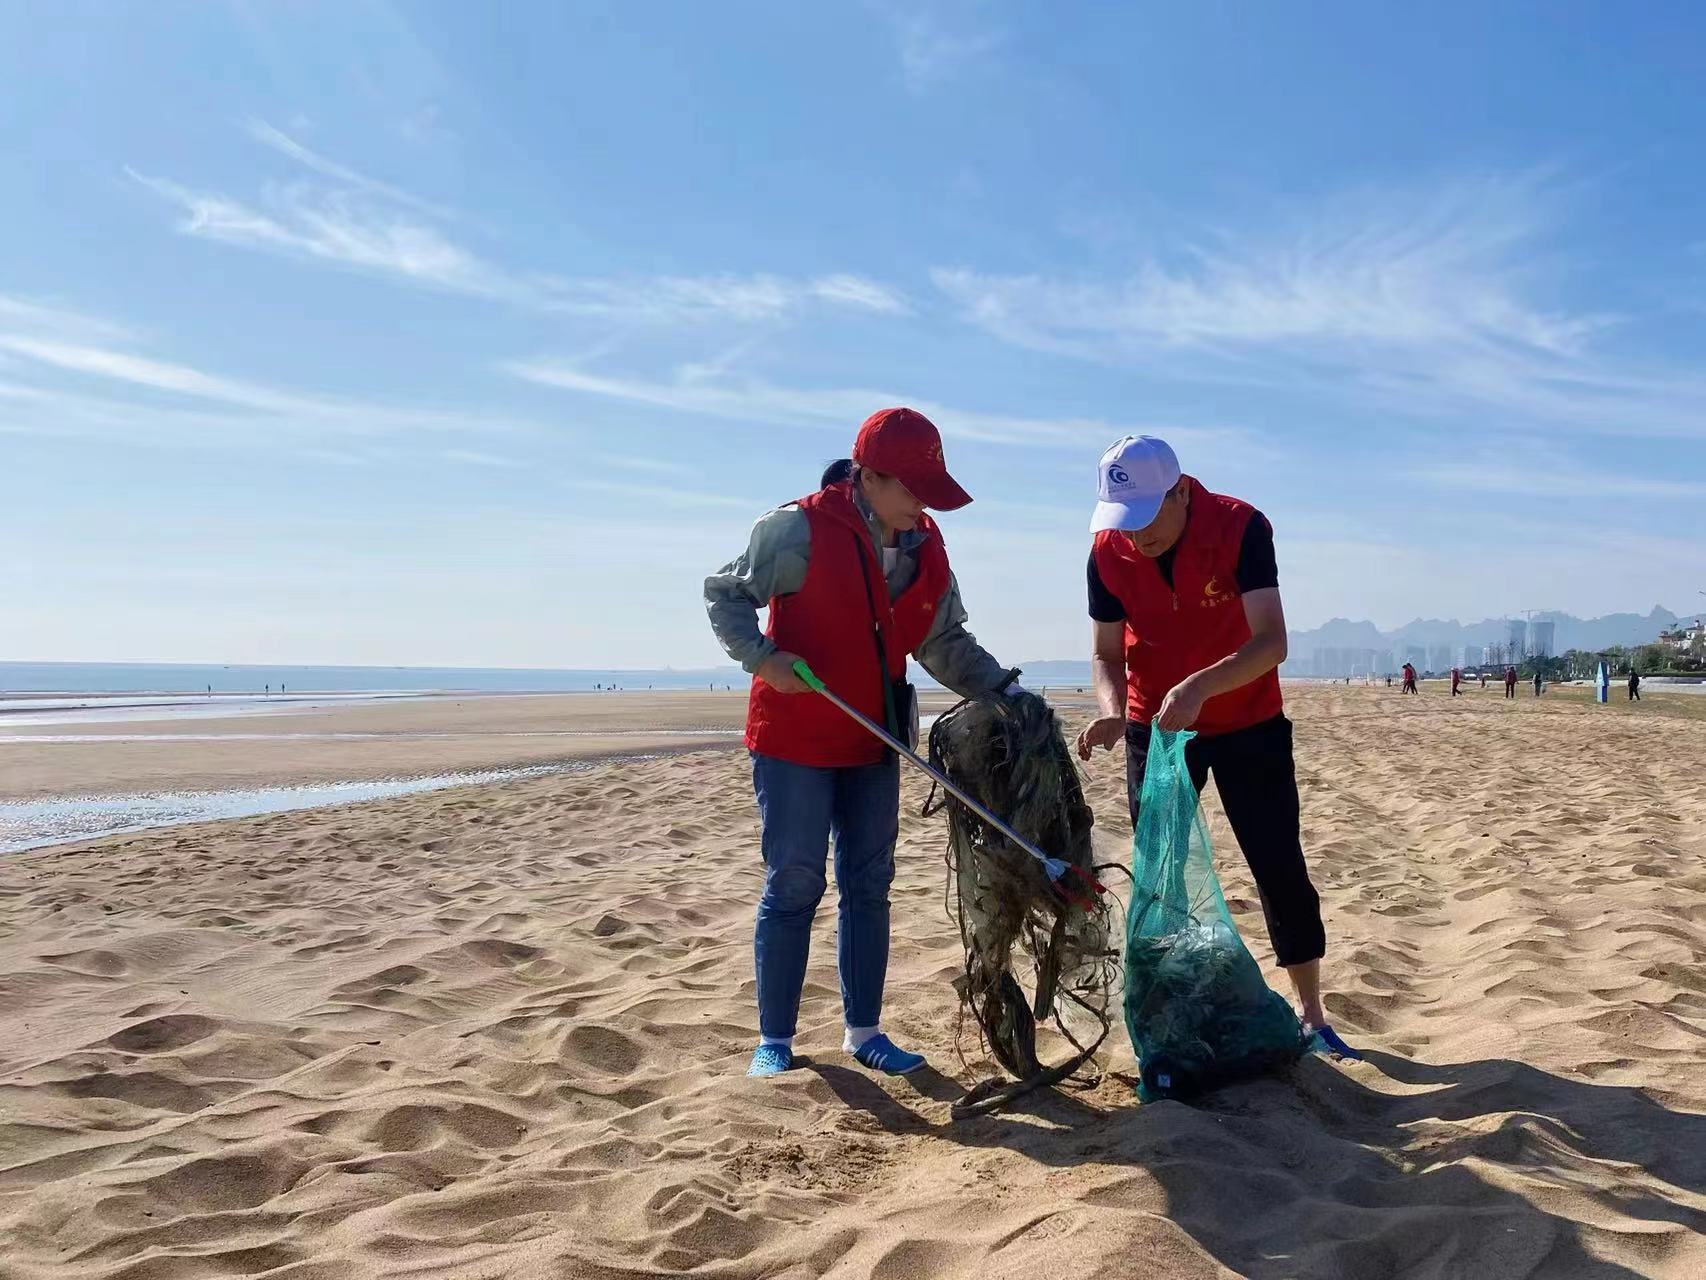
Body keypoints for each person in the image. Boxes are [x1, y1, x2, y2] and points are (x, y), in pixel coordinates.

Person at [706, 407, 1023, 1079]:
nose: (923, 505)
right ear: (869, 477)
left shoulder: (925, 546)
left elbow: (942, 643)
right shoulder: (795, 528)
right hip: (793, 738)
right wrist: (763, 659)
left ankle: (865, 1032)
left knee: (869, 883)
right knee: (795, 880)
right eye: (912, 489)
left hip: (874, 741)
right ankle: (775, 1040)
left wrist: (1003, 690)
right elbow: (726, 595)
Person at [1074, 435, 1357, 1060]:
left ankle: (1313, 1013)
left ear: (1181, 491)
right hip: (1157, 726)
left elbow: (1271, 642)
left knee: (1277, 862)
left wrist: (1202, 686)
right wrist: (1114, 713)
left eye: (1146, 518)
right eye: (1123, 521)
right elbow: (1103, 652)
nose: (1135, 536)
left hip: (1248, 719)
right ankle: (1172, 1015)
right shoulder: (1106, 553)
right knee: (1161, 870)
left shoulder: (1240, 527)